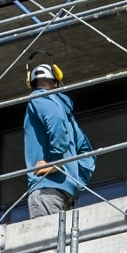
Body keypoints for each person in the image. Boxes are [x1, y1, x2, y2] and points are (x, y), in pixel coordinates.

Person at [24, 62, 94, 221]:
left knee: (46, 244)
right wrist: (74, 183)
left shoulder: (37, 97)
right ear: (56, 82)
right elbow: (88, 155)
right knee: (61, 244)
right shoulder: (69, 118)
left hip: (46, 191)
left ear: (30, 83)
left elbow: (54, 121)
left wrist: (55, 163)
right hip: (65, 195)